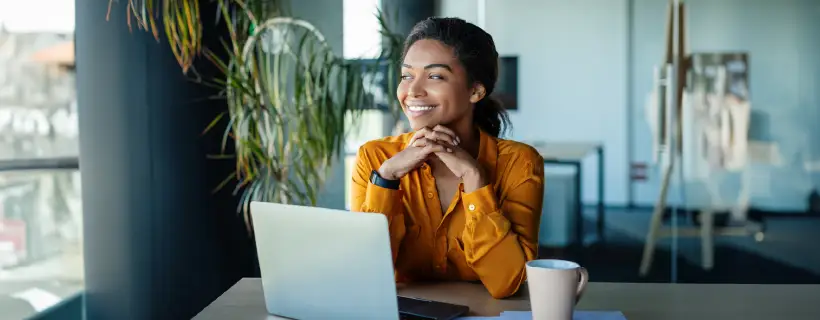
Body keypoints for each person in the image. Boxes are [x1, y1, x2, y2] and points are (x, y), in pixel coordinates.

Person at [350, 17, 544, 299]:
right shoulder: (377, 158)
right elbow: (363, 273)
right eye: (407, 75)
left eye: (435, 76)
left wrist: (475, 181)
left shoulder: (520, 163)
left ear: (476, 91)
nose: (412, 91)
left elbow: (508, 282)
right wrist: (386, 179)